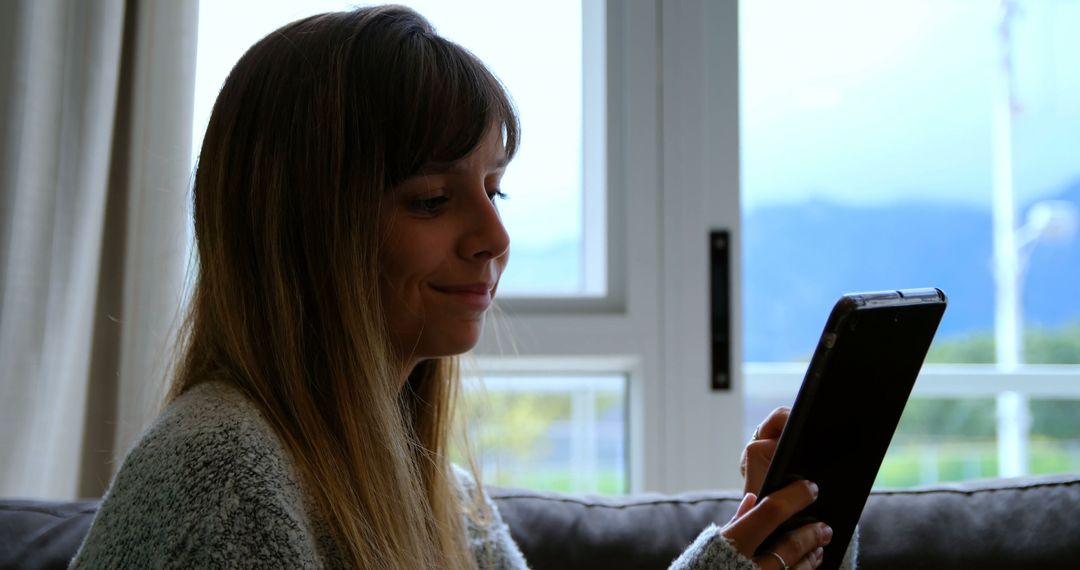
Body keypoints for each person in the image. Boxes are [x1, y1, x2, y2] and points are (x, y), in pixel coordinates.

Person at [71, 6, 852, 569]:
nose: (495, 238)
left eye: (494, 189)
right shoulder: (222, 477)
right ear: (304, 229)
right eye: (433, 200)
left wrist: (765, 548)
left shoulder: (437, 492)